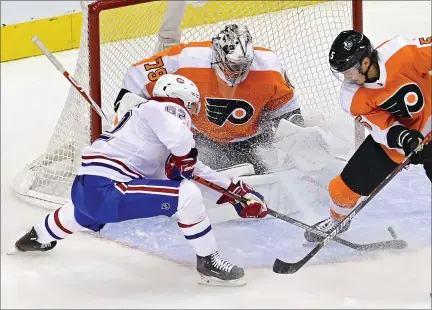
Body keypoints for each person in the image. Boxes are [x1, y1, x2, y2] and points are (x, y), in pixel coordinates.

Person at [11, 74, 269, 287]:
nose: (191, 113)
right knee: (187, 194)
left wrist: (234, 193)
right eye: (191, 105)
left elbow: (192, 168)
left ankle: (36, 236)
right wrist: (186, 158)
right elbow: (183, 150)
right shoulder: (164, 108)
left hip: (86, 188)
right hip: (109, 189)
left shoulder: (144, 128)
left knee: (81, 215)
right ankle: (209, 262)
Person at [114, 23, 303, 174]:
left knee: (272, 176)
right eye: (233, 65)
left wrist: (298, 139)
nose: (237, 71)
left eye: (243, 65)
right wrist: (126, 105)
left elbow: (286, 110)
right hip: (202, 139)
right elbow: (138, 74)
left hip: (254, 139)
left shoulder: (269, 66)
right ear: (218, 54)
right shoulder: (187, 58)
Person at [304, 31, 431, 242]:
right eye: (343, 73)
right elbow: (382, 127)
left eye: (350, 71)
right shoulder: (351, 97)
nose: (347, 78)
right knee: (342, 190)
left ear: (365, 62)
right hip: (399, 141)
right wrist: (406, 140)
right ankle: (337, 221)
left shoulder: (401, 52)